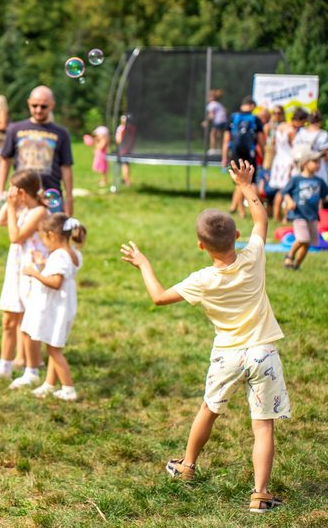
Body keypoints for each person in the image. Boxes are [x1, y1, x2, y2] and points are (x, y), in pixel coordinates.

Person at [120, 160, 289, 514]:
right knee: (262, 427)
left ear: (201, 245)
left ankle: (187, 466)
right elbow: (261, 219)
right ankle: (259, 494)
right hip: (263, 353)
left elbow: (158, 297)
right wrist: (245, 184)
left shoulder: (201, 280)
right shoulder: (253, 256)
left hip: (227, 354)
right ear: (236, 237)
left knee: (209, 410)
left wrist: (144, 265)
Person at [0, 170, 48, 385]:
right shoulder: (21, 208)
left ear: (21, 191)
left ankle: (31, 371)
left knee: (28, 322)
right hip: (15, 269)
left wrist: (10, 207)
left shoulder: (39, 212)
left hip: (30, 269)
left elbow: (15, 237)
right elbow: (0, 220)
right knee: (8, 320)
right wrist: (10, 205)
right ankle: (4, 366)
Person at [18, 213, 86, 401]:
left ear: (52, 235)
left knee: (54, 350)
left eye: (43, 238)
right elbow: (62, 269)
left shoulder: (59, 255)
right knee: (52, 344)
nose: (44, 243)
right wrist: (43, 263)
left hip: (55, 308)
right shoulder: (73, 253)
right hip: (64, 306)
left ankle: (68, 389)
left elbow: (55, 282)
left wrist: (34, 272)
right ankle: (49, 383)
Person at [0, 85, 74, 215]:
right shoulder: (15, 129)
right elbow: (5, 161)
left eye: (44, 106)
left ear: (52, 105)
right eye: (34, 105)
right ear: (29, 103)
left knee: (51, 235)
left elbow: (66, 167)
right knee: (20, 234)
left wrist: (69, 198)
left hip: (50, 197)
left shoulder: (61, 133)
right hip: (22, 196)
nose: (38, 110)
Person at [280, 150, 328, 271]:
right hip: (299, 214)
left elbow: (325, 196)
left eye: (319, 162)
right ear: (305, 163)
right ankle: (289, 256)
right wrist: (289, 201)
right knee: (302, 239)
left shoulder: (320, 181)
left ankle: (296, 265)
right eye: (315, 162)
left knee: (308, 244)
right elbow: (285, 192)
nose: (318, 164)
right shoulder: (296, 180)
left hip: (312, 216)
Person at [222, 97, 265, 218]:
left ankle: (237, 208)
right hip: (249, 154)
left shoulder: (232, 118)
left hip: (235, 153)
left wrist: (224, 157)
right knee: (247, 182)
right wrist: (264, 155)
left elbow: (226, 140)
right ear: (251, 106)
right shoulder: (255, 119)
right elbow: (261, 141)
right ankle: (240, 210)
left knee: (238, 182)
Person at [115, 114, 136, 186]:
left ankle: (126, 180)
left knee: (124, 164)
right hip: (130, 148)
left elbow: (119, 140)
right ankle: (125, 179)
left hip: (123, 149)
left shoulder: (121, 128)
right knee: (126, 164)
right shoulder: (132, 128)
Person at [203, 89, 226, 153]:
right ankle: (219, 149)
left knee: (212, 134)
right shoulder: (219, 104)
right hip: (224, 121)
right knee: (219, 134)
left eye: (209, 96)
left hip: (218, 121)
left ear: (212, 97)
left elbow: (211, 115)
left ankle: (212, 149)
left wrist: (206, 121)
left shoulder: (212, 104)